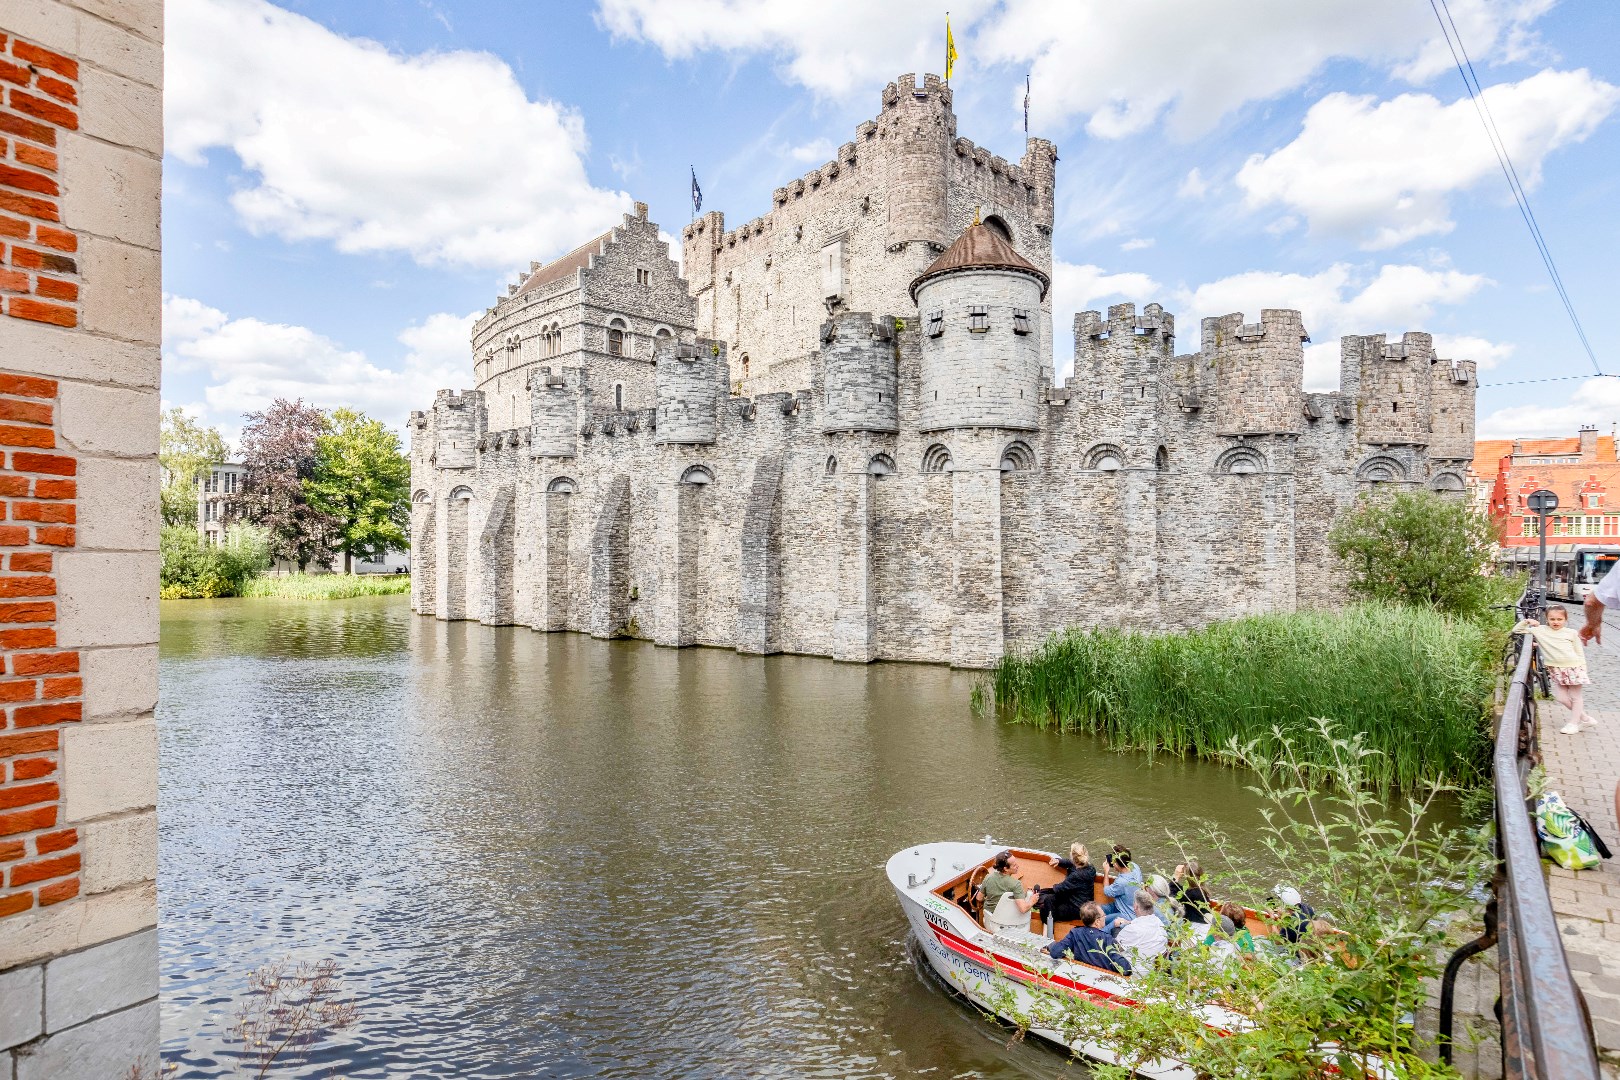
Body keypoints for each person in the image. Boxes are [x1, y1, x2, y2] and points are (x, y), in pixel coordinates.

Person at [1517, 606, 1595, 734]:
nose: (1556, 622)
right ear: (1546, 619)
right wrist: (1527, 621)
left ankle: (1574, 723)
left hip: (1573, 667)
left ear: (1565, 619)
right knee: (1561, 698)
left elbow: (1579, 652)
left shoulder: (1571, 633)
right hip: (1556, 669)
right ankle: (1585, 718)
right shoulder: (1540, 630)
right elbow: (1517, 630)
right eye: (1552, 619)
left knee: (1576, 697)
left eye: (1560, 619)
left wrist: (1583, 669)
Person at [1044, 901, 1132, 976]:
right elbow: (1126, 969)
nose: (1105, 917)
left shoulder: (1075, 933)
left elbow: (1056, 952)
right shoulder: (1107, 939)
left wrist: (1052, 946)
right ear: (1097, 921)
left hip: (1081, 976)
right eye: (1103, 916)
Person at [1035, 843, 1096, 925]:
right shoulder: (1091, 868)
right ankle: (1048, 929)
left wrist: (1046, 890)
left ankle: (1049, 933)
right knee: (1048, 900)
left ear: (1073, 858)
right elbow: (1071, 863)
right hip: (1085, 904)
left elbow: (1060, 888)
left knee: (1045, 907)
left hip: (1077, 909)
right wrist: (1059, 861)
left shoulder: (1076, 875)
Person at [978, 850, 1038, 928]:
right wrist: (1032, 901)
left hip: (991, 922)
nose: (1018, 866)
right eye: (1014, 865)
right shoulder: (1016, 884)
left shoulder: (988, 877)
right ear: (1005, 868)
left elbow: (979, 898)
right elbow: (1023, 909)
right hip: (1010, 922)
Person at [1114, 892, 1169, 970]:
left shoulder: (1133, 929)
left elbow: (1114, 948)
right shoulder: (1159, 922)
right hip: (1154, 971)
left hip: (1133, 972)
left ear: (1136, 906)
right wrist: (1126, 922)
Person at [1101, 845, 1141, 922]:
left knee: (1100, 920)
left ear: (1116, 863)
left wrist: (1106, 872)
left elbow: (1107, 891)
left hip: (1126, 913)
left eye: (1113, 861)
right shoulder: (1135, 867)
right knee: (1096, 910)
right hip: (1124, 905)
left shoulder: (1121, 882)